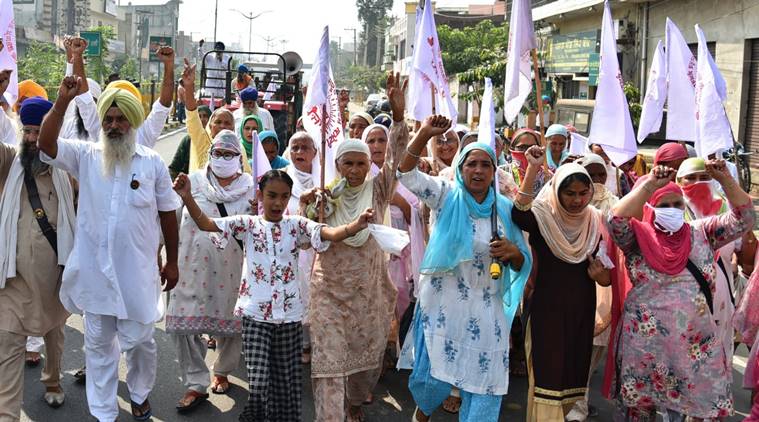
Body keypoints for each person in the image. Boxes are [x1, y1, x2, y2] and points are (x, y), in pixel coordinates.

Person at [174, 168, 373, 422]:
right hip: (255, 316)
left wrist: (356, 225)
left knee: (286, 384)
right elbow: (206, 223)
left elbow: (329, 234)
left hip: (289, 318)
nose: (278, 202)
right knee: (258, 384)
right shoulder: (247, 224)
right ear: (260, 195)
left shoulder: (297, 225)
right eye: (271, 195)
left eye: (284, 196)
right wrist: (188, 197)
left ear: (290, 197)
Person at [37, 76, 181, 422]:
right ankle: (103, 413)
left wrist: (172, 262)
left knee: (140, 344)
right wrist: (60, 102)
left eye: (121, 119)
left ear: (133, 121)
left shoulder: (152, 163)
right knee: (98, 348)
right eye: (109, 119)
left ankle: (140, 393)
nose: (114, 125)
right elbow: (46, 144)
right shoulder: (86, 155)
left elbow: (168, 214)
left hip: (136, 275)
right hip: (95, 275)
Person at [397, 121, 532, 421]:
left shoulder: (505, 209)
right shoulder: (445, 195)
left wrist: (513, 253)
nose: (479, 170)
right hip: (443, 306)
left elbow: (523, 259)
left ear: (494, 172)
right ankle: (424, 410)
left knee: (487, 382)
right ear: (461, 168)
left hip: (487, 307)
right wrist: (424, 134)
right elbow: (405, 174)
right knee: (432, 379)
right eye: (472, 163)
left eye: (486, 165)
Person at [608, 160, 754, 420]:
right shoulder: (637, 237)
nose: (673, 210)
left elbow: (745, 219)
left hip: (693, 346)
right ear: (649, 207)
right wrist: (651, 184)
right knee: (642, 410)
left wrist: (725, 181)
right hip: (645, 346)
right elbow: (616, 219)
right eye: (664, 205)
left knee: (694, 409)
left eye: (678, 205)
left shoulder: (702, 233)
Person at [302, 73, 408, 422]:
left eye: (361, 162)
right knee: (329, 366)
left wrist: (400, 116)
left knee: (366, 360)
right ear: (337, 165)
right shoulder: (324, 196)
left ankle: (356, 403)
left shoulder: (379, 190)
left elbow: (396, 159)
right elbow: (308, 234)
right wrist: (310, 205)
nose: (355, 169)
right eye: (348, 162)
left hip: (368, 292)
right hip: (328, 292)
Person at [513, 146, 611, 421]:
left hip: (581, 307)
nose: (577, 200)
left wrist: (600, 275)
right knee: (548, 369)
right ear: (557, 191)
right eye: (570, 193)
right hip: (546, 306)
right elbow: (518, 213)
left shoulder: (594, 221)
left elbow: (606, 275)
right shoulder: (543, 216)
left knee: (572, 370)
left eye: (583, 193)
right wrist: (533, 168)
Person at [0, 85, 75, 419]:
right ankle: (7, 414)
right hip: (12, 283)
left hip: (55, 280)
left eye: (39, 130)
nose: (32, 138)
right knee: (7, 345)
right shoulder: (8, 163)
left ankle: (53, 381)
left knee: (54, 338)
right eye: (27, 131)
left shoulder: (69, 173)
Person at [166, 130, 254, 413]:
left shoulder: (251, 188)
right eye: (218, 152)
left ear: (239, 158)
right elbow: (168, 218)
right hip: (190, 268)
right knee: (182, 327)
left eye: (229, 154)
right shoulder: (191, 182)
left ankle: (223, 371)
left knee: (231, 327)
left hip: (233, 270)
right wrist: (159, 255)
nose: (223, 158)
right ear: (209, 154)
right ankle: (195, 382)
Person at [676, 157, 746, 374]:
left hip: (720, 296)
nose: (698, 182)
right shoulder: (671, 209)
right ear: (679, 181)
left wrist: (725, 179)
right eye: (691, 178)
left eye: (704, 177)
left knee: (716, 358)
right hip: (682, 296)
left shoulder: (726, 209)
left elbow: (743, 236)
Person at [565, 152, 619, 422]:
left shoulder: (615, 206)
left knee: (593, 350)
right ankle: (570, 404)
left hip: (603, 285)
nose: (597, 181)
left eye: (601, 175)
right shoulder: (563, 204)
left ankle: (578, 402)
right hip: (569, 287)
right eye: (592, 175)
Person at [282, 132, 320, 363]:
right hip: (291, 250)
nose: (299, 152)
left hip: (318, 250)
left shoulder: (325, 178)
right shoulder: (282, 178)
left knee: (315, 296)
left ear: (315, 152)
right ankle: (301, 344)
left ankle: (316, 344)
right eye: (294, 147)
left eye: (305, 147)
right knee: (295, 295)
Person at [181, 59, 252, 174]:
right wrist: (189, 86)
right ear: (210, 124)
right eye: (218, 122)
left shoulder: (238, 148)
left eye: (227, 123)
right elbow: (192, 114)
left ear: (233, 129)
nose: (222, 126)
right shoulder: (202, 140)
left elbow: (247, 177)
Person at [60, 37, 102, 142]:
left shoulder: (102, 129)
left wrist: (76, 56)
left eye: (93, 101)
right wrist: (73, 56)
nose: (84, 107)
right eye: (80, 103)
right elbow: (71, 84)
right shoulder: (69, 124)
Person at [169, 105, 211, 179]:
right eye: (199, 117)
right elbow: (174, 168)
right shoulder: (187, 140)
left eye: (205, 116)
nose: (202, 119)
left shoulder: (215, 140)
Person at [506, 128, 551, 195]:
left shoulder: (548, 176)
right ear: (512, 148)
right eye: (521, 147)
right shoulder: (502, 173)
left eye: (531, 147)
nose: (527, 152)